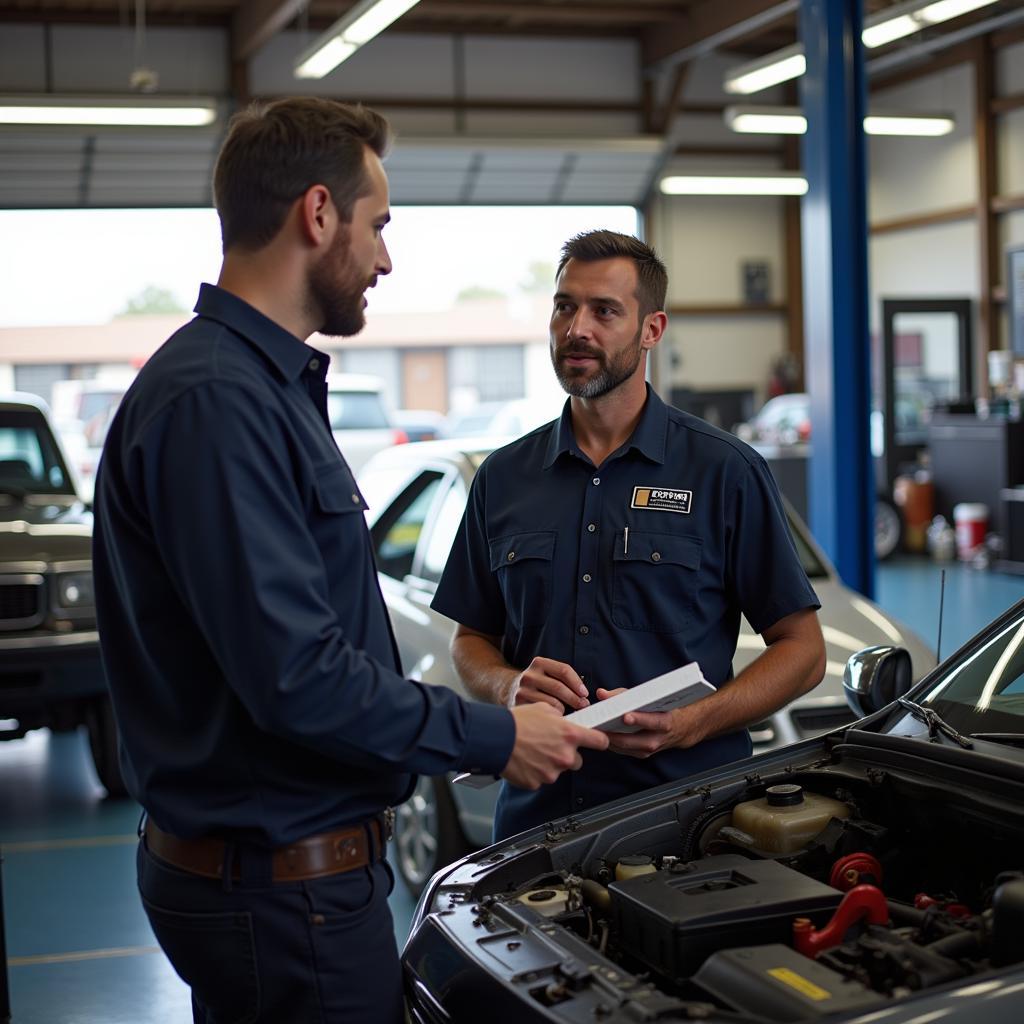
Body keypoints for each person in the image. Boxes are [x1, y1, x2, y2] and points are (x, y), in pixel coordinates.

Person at [91, 98, 608, 1024]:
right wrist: (500, 738)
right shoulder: (219, 402)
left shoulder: (259, 388)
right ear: (317, 213)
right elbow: (295, 677)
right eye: (378, 225)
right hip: (282, 893)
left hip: (283, 879)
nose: (384, 257)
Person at [432, 229, 826, 842]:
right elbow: (469, 640)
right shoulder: (503, 479)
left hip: (687, 821)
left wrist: (693, 723)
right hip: (534, 827)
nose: (576, 329)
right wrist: (507, 686)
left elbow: (802, 650)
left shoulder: (725, 471)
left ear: (652, 330)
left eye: (604, 311)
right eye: (564, 306)